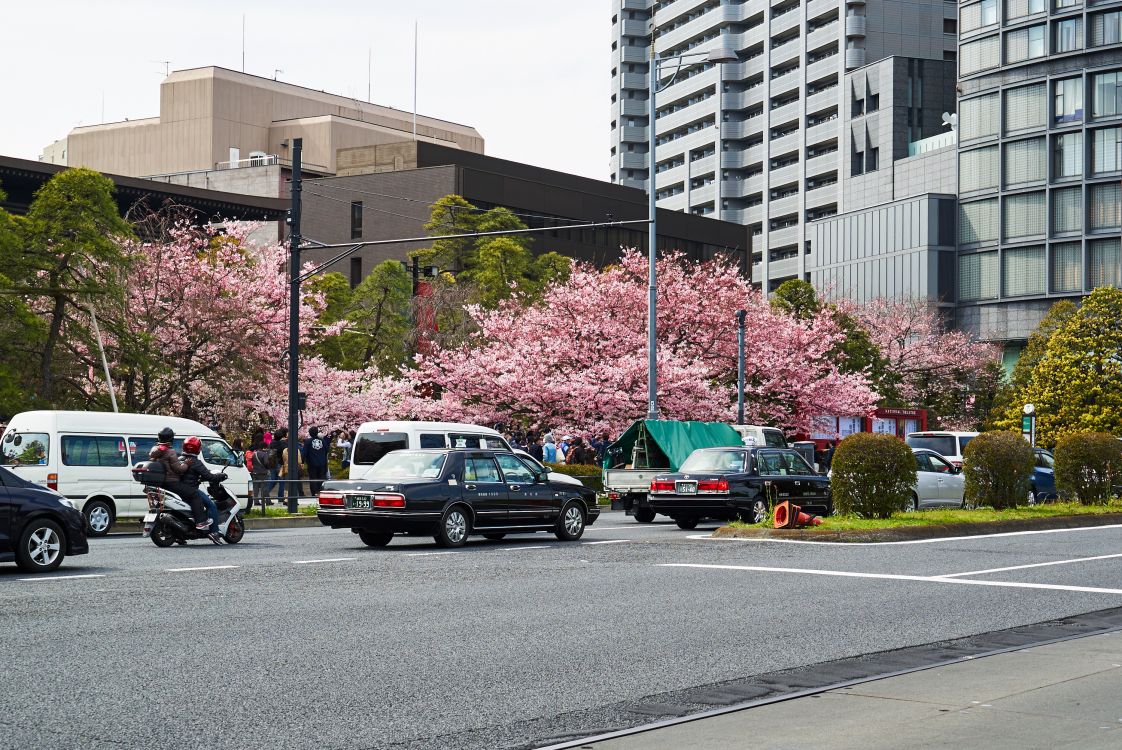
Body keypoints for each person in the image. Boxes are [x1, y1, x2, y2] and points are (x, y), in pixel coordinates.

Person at [148, 427, 209, 531]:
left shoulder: (155, 450)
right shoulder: (170, 451)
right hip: (172, 482)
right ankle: (200, 522)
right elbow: (179, 469)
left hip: (162, 483)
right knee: (194, 494)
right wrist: (186, 463)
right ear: (171, 439)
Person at [180, 436, 227, 541]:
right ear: (198, 448)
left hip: (179, 490)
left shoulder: (180, 459)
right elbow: (209, 477)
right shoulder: (195, 462)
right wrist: (221, 476)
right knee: (212, 506)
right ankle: (214, 531)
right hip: (191, 490)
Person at [304, 426, 330, 496]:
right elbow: (327, 450)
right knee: (321, 478)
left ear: (309, 433)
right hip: (322, 463)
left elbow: (304, 453)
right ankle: (321, 492)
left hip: (312, 463)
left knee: (313, 478)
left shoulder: (308, 441)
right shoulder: (322, 441)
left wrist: (303, 462)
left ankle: (314, 493)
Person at [247, 439, 271, 511]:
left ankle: (256, 501)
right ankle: (266, 501)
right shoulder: (264, 454)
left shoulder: (254, 453)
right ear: (264, 447)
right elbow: (266, 463)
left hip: (255, 472)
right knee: (264, 487)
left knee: (256, 487)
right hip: (263, 473)